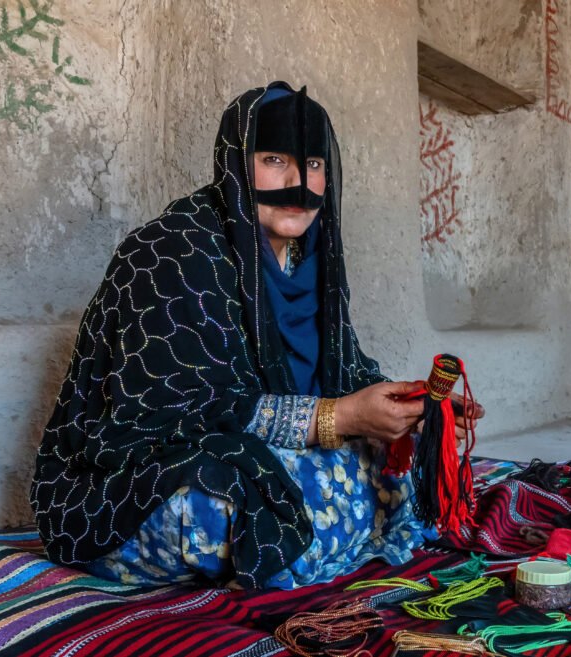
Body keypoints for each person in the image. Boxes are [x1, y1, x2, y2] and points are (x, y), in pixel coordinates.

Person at [30, 81, 483, 589]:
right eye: (274, 160)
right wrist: (341, 417)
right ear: (236, 163)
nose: (298, 184)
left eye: (313, 164)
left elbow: (345, 375)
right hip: (138, 478)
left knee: (409, 464)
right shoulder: (169, 254)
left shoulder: (310, 264)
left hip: (270, 451)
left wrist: (414, 414)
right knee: (234, 502)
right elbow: (171, 415)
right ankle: (316, 538)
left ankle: (315, 537)